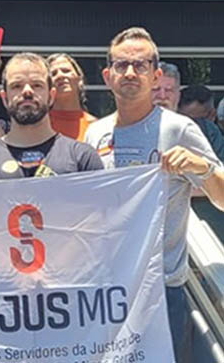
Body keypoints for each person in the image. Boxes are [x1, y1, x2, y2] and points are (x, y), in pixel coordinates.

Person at [84, 27, 224, 363]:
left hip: (161, 291)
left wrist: (201, 168)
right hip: (108, 292)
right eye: (121, 65)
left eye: (140, 65)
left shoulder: (179, 129)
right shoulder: (95, 133)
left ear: (155, 74)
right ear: (107, 75)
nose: (130, 72)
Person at [0, 52, 103, 181]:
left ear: (51, 96)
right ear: (4, 98)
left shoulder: (83, 158)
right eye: (17, 86)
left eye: (37, 85)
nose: (27, 91)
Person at [45, 53, 98, 141]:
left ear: (79, 79)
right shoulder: (39, 125)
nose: (60, 75)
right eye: (53, 74)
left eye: (66, 71)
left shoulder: (96, 126)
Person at [177, 84, 224, 161]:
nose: (185, 125)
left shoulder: (212, 134)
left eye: (193, 121)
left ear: (212, 115)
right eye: (180, 117)